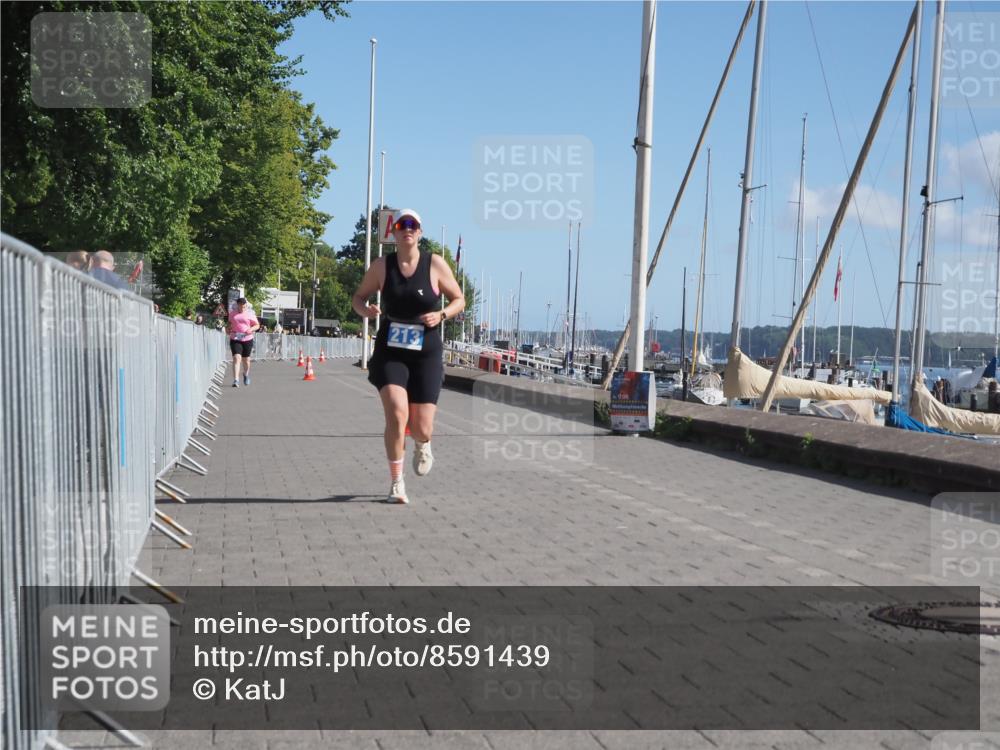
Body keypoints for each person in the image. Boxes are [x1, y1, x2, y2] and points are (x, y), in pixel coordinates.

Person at [352, 208, 465, 504]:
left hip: (425, 352)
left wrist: (441, 314)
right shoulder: (381, 266)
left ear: (420, 232)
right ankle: (396, 483)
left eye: (413, 225)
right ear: (395, 232)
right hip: (391, 351)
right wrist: (368, 311)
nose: (407, 229)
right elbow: (358, 298)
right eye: (402, 225)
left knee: (420, 427)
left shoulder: (435, 264)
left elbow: (459, 299)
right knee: (397, 414)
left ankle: (423, 444)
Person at [227, 297, 259, 387]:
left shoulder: (250, 314)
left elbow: (257, 325)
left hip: (247, 338)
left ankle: (245, 374)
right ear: (238, 305)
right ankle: (236, 380)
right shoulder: (232, 314)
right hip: (235, 338)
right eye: (241, 306)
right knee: (237, 358)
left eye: (244, 306)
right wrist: (227, 328)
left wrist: (251, 329)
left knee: (246, 360)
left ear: (246, 305)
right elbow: (229, 323)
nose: (242, 308)